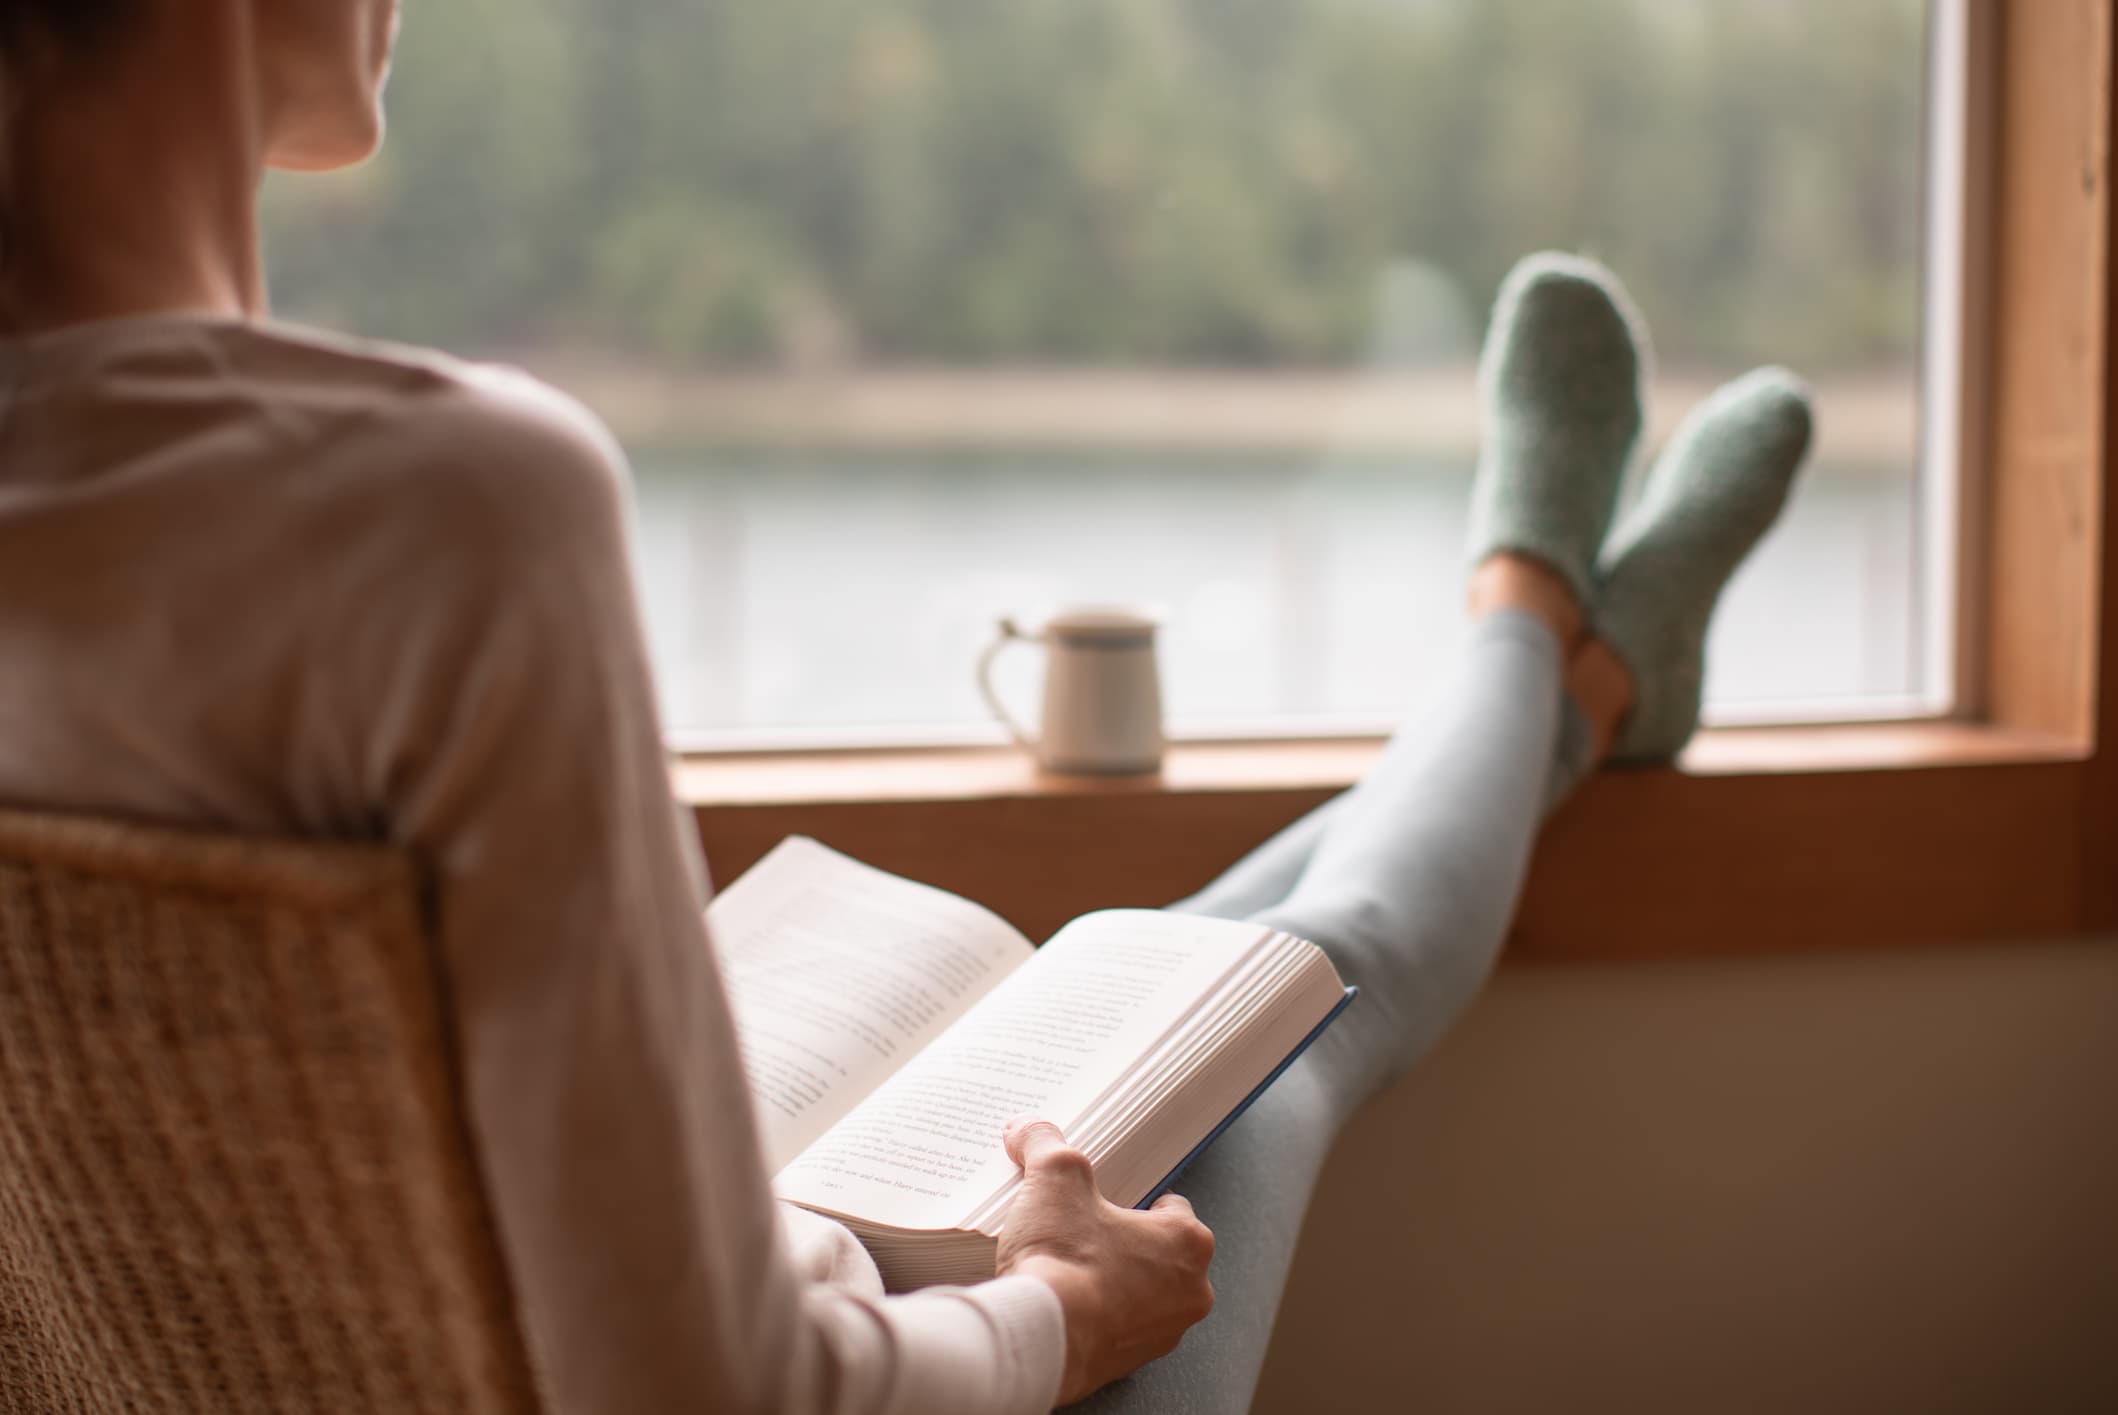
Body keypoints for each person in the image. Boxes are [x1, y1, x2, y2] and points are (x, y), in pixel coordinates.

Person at [0, 3, 1811, 1411]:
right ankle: (1536, 633)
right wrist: (1048, 1315)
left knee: (1160, 987)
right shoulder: (441, 506)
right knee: (1283, 1017)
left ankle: (1560, 662)